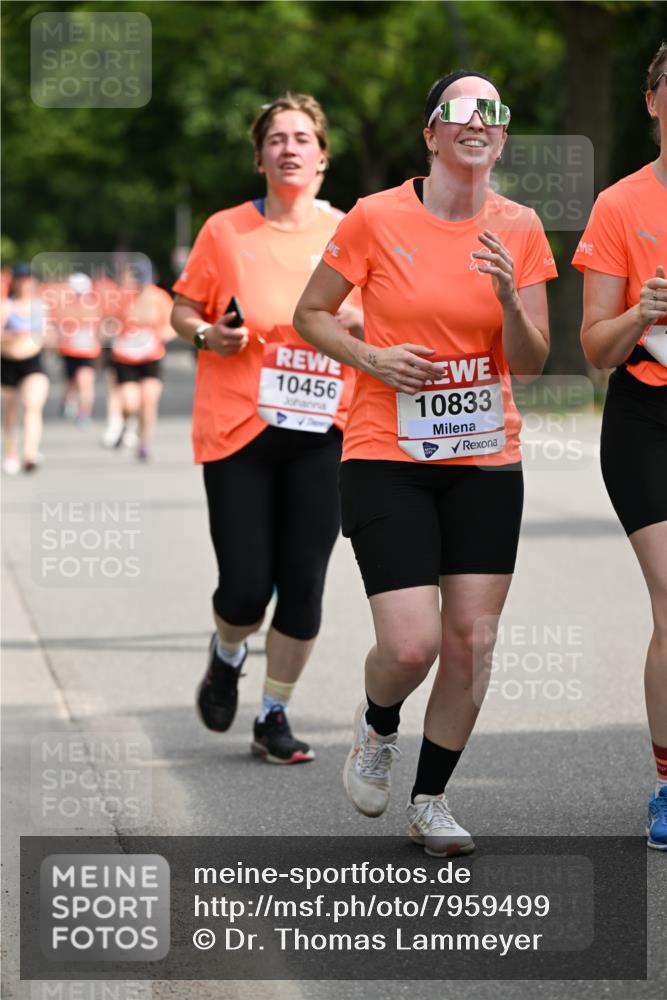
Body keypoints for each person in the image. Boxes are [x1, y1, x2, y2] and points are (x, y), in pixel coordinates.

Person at [294, 71, 557, 855]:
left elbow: (533, 364)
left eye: (492, 114)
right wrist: (371, 357)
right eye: (460, 112)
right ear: (431, 133)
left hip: (484, 458)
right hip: (386, 451)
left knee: (472, 641)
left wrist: (510, 301)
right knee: (412, 643)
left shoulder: (521, 226)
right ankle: (377, 724)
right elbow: (308, 314)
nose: (477, 124)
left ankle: (431, 799)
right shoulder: (376, 218)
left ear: (501, 136)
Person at [171, 93, 361, 765]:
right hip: (238, 426)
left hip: (326, 425)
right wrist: (206, 336)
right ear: (259, 157)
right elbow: (185, 308)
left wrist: (362, 328)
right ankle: (227, 654)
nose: (289, 147)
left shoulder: (350, 231)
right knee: (247, 588)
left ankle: (273, 714)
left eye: (302, 137)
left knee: (304, 581)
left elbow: (378, 314)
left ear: (322, 156)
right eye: (275, 138)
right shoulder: (225, 231)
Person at [572, 42, 667, 851]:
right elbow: (594, 350)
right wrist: (641, 311)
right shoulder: (619, 206)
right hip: (646, 419)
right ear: (651, 100)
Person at [111, 260, 174, 462]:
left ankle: (144, 442)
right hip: (126, 357)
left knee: (149, 400)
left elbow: (173, 324)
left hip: (151, 356)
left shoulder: (159, 297)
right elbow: (108, 321)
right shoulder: (121, 298)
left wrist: (163, 334)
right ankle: (126, 422)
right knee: (130, 403)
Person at [1, 262, 49, 473]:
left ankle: (30, 453)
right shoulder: (6, 307)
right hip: (8, 362)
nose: (25, 284)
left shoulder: (41, 307)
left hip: (33, 362)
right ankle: (11, 450)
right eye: (22, 280)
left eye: (29, 279)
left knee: (32, 406)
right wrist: (12, 337)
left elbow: (47, 335)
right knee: (11, 411)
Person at [52, 272, 101, 426]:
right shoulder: (63, 305)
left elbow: (101, 327)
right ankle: (68, 400)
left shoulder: (94, 305)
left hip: (88, 351)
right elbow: (56, 325)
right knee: (71, 381)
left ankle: (84, 413)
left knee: (85, 380)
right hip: (69, 351)